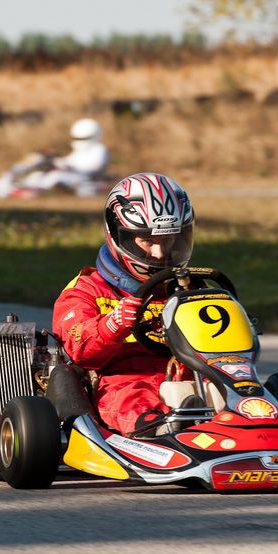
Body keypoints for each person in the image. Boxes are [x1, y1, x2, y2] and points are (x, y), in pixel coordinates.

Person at [51, 173, 195, 435]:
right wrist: (112, 325)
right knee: (132, 398)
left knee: (234, 389)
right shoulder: (87, 290)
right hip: (123, 381)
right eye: (148, 241)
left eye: (168, 240)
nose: (160, 254)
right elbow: (78, 348)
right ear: (120, 236)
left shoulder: (192, 288)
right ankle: (160, 430)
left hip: (190, 376)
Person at [0, 118, 110, 198]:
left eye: (83, 138)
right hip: (67, 173)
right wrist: (50, 159)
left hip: (79, 178)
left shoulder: (99, 150)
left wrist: (61, 165)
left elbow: (89, 169)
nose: (79, 141)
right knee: (35, 166)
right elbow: (68, 161)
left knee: (54, 176)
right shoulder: (78, 153)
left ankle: (28, 191)